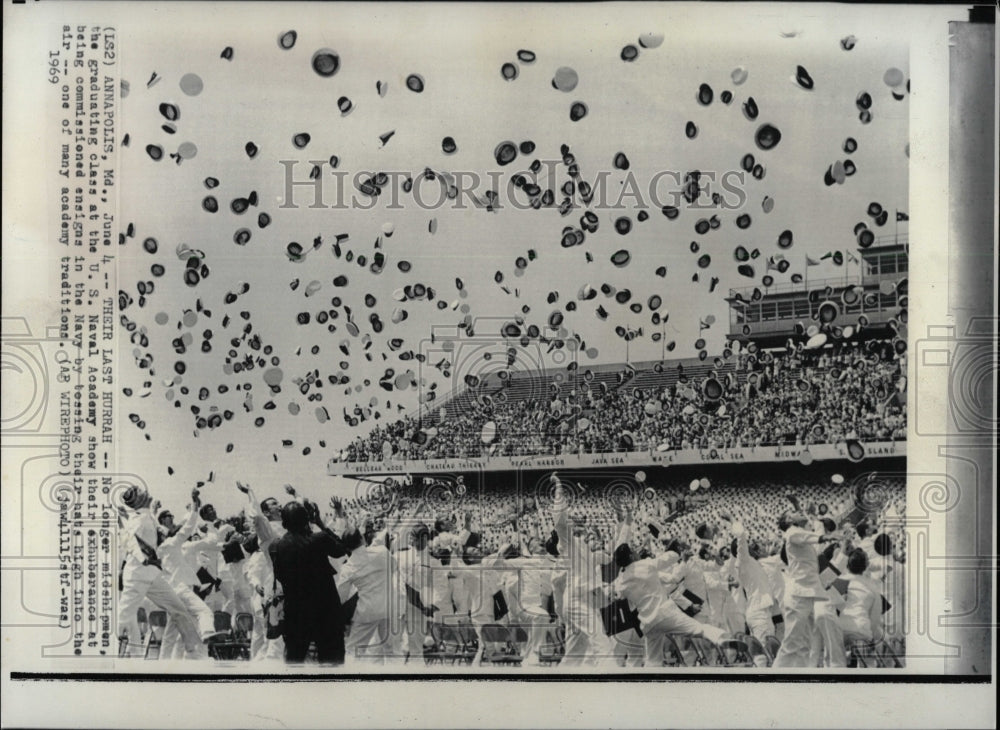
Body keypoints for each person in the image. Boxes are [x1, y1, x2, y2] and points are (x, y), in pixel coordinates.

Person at [117, 484, 223, 657]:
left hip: (156, 579)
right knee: (123, 618)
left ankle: (189, 652)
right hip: (149, 578)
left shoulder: (150, 525)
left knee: (176, 619)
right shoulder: (163, 538)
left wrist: (194, 506)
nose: (169, 531)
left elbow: (152, 520)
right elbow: (131, 540)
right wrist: (194, 506)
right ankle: (203, 639)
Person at [268, 498, 352, 664]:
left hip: (296, 611)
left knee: (294, 659)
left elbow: (280, 576)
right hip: (325, 610)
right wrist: (320, 524)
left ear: (284, 523)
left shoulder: (276, 546)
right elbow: (342, 548)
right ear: (307, 520)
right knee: (331, 661)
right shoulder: (319, 539)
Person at [772, 500, 839, 668]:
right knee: (791, 644)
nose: (800, 513)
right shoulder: (791, 533)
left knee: (806, 644)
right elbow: (804, 534)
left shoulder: (800, 532)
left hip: (808, 593)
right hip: (798, 596)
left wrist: (797, 508)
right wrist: (826, 537)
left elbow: (808, 529)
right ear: (788, 522)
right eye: (792, 513)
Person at [155, 487, 218, 659]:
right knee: (204, 613)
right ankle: (207, 633)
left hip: (170, 594)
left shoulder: (157, 551)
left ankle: (163, 663)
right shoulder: (171, 544)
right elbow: (189, 526)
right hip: (181, 590)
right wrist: (194, 505)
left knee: (171, 632)